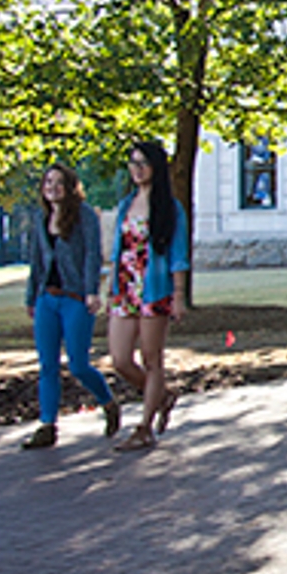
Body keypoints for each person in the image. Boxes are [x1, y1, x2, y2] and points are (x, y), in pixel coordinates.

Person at [19, 164, 122, 449]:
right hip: (46, 299)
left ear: (70, 186)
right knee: (47, 365)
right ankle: (47, 425)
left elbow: (92, 253)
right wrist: (32, 297)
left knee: (78, 365)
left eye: (59, 182)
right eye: (48, 182)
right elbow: (36, 262)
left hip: (75, 298)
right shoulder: (42, 218)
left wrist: (91, 291)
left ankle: (108, 402)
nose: (52, 187)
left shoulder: (84, 215)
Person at [110, 140, 191, 451]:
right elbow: (119, 250)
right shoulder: (125, 205)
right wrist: (111, 288)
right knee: (120, 359)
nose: (137, 169)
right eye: (133, 163)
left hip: (154, 289)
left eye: (143, 163)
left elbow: (178, 255)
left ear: (156, 167)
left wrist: (179, 296)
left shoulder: (170, 208)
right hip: (125, 288)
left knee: (151, 358)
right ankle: (162, 396)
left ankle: (144, 427)